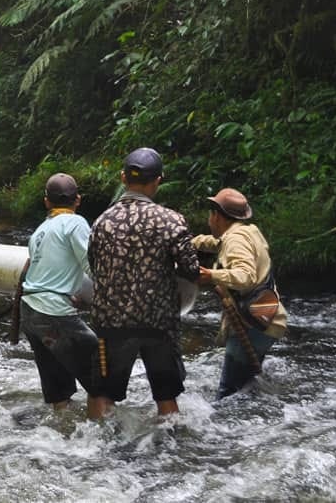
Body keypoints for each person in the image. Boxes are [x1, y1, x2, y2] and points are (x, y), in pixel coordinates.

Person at [87, 147, 201, 419]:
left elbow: (94, 268)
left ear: (123, 178)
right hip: (159, 322)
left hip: (111, 322)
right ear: (158, 181)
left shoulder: (101, 222)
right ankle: (172, 450)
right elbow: (191, 270)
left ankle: (94, 450)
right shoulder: (172, 221)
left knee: (101, 392)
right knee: (166, 394)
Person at [193, 188, 288, 399]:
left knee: (229, 394)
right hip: (266, 321)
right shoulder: (247, 231)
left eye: (211, 214)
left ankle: (230, 428)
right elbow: (215, 243)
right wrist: (188, 242)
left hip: (252, 325)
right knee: (245, 388)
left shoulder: (235, 239)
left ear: (216, 216)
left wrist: (211, 275)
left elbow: (245, 275)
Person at [19, 173, 97, 410]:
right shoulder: (76, 223)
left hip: (30, 312)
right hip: (54, 312)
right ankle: (105, 438)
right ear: (78, 200)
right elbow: (93, 266)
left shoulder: (39, 232)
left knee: (58, 388)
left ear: (47, 202)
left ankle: (61, 434)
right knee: (102, 375)